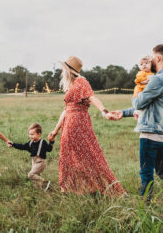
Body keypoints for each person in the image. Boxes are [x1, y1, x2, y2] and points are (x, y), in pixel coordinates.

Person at [109, 45, 163, 209]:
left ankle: (143, 208)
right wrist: (123, 113)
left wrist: (136, 92)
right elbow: (149, 106)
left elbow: (139, 102)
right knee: (162, 170)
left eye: (153, 57)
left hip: (150, 135)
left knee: (146, 172)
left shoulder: (157, 79)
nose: (151, 60)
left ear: (159, 58)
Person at [48, 56, 125, 195]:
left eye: (63, 68)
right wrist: (55, 131)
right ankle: (72, 188)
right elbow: (66, 110)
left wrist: (104, 112)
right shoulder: (71, 85)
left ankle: (95, 187)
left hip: (77, 123)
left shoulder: (81, 81)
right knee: (68, 156)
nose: (61, 70)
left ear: (69, 70)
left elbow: (92, 97)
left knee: (87, 155)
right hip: (69, 123)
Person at [8, 123, 53, 191]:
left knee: (31, 175)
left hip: (40, 162)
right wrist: (13, 144)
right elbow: (22, 146)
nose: (30, 136)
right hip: (34, 162)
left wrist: (51, 142)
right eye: (29, 134)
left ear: (39, 134)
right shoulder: (30, 143)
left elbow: (49, 149)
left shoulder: (43, 142)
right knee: (36, 178)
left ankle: (45, 183)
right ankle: (40, 190)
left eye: (32, 134)